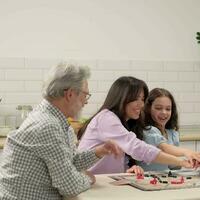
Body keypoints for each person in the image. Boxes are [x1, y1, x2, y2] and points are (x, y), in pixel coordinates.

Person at [0, 63, 121, 200]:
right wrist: (87, 178)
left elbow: (68, 162)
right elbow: (69, 186)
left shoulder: (55, 120)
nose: (85, 102)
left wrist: (99, 151)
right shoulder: (47, 126)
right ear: (70, 94)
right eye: (85, 95)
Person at [77, 77, 193, 175]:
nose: (141, 104)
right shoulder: (107, 118)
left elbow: (119, 157)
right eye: (136, 99)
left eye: (142, 99)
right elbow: (138, 148)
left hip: (104, 182)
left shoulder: (124, 123)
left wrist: (129, 169)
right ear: (122, 98)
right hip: (90, 183)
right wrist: (182, 161)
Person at [138, 88, 200, 171]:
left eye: (168, 109)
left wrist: (191, 160)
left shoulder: (172, 133)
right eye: (158, 108)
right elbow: (165, 148)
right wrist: (187, 152)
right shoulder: (148, 131)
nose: (164, 112)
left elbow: (173, 166)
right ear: (148, 109)